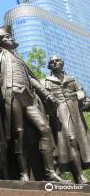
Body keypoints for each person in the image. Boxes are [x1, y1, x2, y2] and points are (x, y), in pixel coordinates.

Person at [0, 25, 65, 182]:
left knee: (45, 129)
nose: (11, 39)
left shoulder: (20, 59)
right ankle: (23, 174)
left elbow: (32, 79)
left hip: (28, 98)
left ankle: (49, 172)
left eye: (10, 37)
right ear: (1, 42)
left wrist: (46, 94)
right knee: (18, 134)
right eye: (7, 38)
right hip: (11, 95)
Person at [44, 55, 90, 184]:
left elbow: (81, 91)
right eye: (52, 62)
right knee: (71, 140)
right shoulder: (47, 80)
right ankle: (80, 176)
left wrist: (79, 95)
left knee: (79, 142)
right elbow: (45, 97)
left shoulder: (72, 79)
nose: (54, 63)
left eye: (57, 60)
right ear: (49, 66)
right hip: (60, 114)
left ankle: (78, 177)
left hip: (75, 112)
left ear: (62, 62)